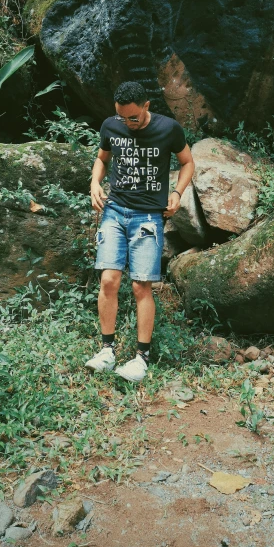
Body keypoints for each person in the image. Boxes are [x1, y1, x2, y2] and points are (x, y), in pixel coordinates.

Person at [86, 81, 195, 383]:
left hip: (148, 216)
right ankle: (107, 351)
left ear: (147, 106)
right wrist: (95, 183)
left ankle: (141, 358)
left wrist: (177, 192)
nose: (127, 123)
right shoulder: (112, 125)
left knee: (140, 287)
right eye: (122, 117)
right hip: (114, 211)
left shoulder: (168, 128)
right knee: (108, 279)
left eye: (133, 117)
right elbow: (102, 158)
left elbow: (187, 162)